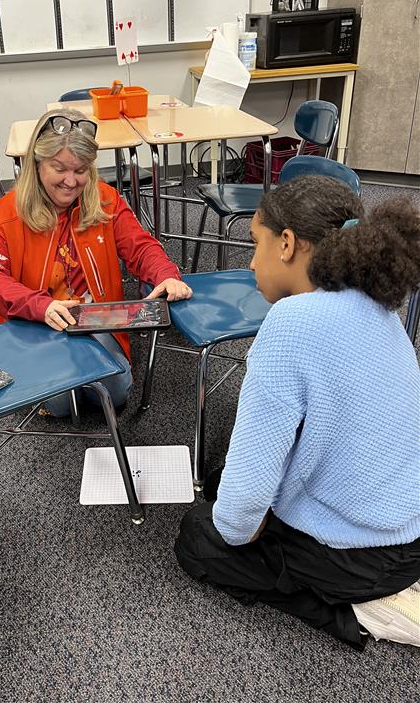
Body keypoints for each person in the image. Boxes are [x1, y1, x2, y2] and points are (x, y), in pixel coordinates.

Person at [174, 174, 420, 650]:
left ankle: (355, 614)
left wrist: (239, 526)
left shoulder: (291, 323)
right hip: (408, 523)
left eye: (255, 243)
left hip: (366, 556)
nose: (251, 262)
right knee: (223, 476)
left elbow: (238, 516)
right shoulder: (378, 308)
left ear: (287, 244)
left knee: (200, 537)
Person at [0, 108, 192, 415]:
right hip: (37, 321)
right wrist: (40, 306)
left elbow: (140, 247)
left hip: (95, 316)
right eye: (59, 168)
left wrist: (166, 275)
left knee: (114, 396)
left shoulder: (105, 199)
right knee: (62, 404)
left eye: (80, 170)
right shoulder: (8, 212)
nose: (71, 181)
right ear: (36, 165)